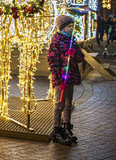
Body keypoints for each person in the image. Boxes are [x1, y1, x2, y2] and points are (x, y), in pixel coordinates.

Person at [47, 15, 85, 146]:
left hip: (71, 77)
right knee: (59, 105)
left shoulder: (71, 40)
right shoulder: (56, 41)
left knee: (69, 103)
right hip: (61, 79)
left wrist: (74, 53)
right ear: (62, 27)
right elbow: (52, 61)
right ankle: (56, 129)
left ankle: (66, 126)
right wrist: (58, 79)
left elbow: (81, 58)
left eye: (72, 26)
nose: (71, 29)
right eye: (69, 26)